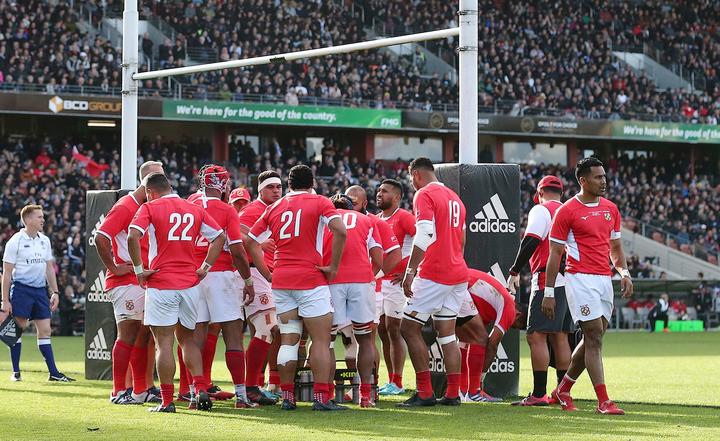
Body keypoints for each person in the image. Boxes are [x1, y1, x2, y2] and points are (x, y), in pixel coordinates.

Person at [245, 164, 348, 411]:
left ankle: (288, 397)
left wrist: (266, 272)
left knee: (288, 341)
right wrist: (333, 266)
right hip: (310, 279)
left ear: (288, 184)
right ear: (312, 182)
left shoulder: (274, 207)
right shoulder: (321, 202)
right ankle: (322, 398)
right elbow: (341, 231)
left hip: (282, 281)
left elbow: (249, 240)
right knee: (321, 341)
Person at [128, 173, 226, 413]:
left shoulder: (150, 207)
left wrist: (140, 270)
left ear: (150, 192)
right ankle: (200, 389)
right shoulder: (192, 208)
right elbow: (219, 237)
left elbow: (132, 236)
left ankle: (167, 400)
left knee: (164, 343)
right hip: (189, 283)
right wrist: (205, 267)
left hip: (162, 282)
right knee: (188, 340)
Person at [544, 157, 634, 415]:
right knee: (593, 335)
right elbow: (555, 254)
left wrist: (624, 273)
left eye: (604, 176)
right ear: (583, 180)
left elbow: (615, 248)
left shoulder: (611, 209)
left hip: (604, 280)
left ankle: (563, 389)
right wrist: (549, 292)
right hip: (578, 278)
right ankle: (604, 401)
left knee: (593, 338)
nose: (603, 181)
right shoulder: (567, 211)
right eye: (598, 177)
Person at [398, 157, 468, 407]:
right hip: (458, 272)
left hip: (435, 273)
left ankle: (425, 392)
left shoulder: (424, 195)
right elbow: (461, 239)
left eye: (410, 178)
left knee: (408, 328)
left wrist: (410, 270)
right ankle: (452, 393)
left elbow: (425, 233)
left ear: (416, 174)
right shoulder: (455, 198)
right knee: (447, 335)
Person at [189, 165, 260, 408]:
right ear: (222, 185)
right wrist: (249, 280)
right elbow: (238, 251)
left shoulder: (190, 204)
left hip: (193, 275)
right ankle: (241, 396)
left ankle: (195, 392)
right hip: (221, 275)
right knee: (233, 337)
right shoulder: (227, 210)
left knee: (194, 338)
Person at [95, 160, 164, 404]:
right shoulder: (126, 205)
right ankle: (118, 390)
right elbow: (101, 237)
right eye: (159, 178)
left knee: (144, 334)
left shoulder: (149, 206)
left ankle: (141, 389)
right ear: (148, 181)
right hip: (125, 281)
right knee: (128, 334)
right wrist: (113, 267)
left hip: (142, 280)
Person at [507, 175, 573, 406]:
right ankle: (562, 393)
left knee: (536, 335)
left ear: (540, 192)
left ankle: (538, 394)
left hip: (548, 279)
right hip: (570, 280)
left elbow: (532, 240)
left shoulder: (541, 210)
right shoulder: (569, 210)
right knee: (560, 337)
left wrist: (515, 270)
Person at [2, 205, 75, 382]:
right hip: (21, 289)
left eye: (43, 216)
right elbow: (7, 273)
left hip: (40, 291)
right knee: (17, 329)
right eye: (39, 217)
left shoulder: (45, 240)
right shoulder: (15, 241)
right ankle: (16, 372)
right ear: (28, 220)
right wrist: (5, 300)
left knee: (45, 330)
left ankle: (53, 373)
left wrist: (55, 291)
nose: (43, 219)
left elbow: (49, 268)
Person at [323, 193, 383, 407]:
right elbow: (379, 257)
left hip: (331, 280)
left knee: (325, 340)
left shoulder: (324, 219)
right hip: (361, 281)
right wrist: (368, 276)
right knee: (365, 339)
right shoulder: (366, 220)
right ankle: (365, 395)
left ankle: (326, 394)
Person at [344, 185, 400, 399]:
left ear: (364, 204)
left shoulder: (375, 222)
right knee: (347, 341)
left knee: (366, 339)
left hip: (369, 290)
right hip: (342, 288)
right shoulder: (338, 219)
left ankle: (371, 387)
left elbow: (394, 254)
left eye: (354, 202)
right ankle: (355, 386)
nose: (349, 206)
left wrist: (374, 274)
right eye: (347, 201)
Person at [238, 172, 283, 401]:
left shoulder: (278, 209)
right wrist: (257, 243)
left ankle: (268, 383)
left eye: (279, 186)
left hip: (272, 275)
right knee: (268, 329)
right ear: (260, 190)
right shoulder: (253, 210)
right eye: (271, 187)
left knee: (272, 330)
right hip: (255, 273)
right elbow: (237, 237)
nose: (276, 190)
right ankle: (251, 386)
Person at [375, 179, 416, 396]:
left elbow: (424, 240)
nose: (379, 194)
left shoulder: (404, 217)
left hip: (396, 283)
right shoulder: (376, 219)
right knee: (381, 329)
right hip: (380, 281)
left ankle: (398, 381)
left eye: (385, 191)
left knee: (394, 328)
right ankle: (390, 380)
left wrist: (411, 270)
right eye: (379, 190)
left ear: (397, 197)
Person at [457, 269, 517, 402]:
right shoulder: (511, 309)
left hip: (452, 281)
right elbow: (492, 345)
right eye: (521, 325)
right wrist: (481, 377)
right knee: (481, 339)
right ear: (520, 314)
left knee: (464, 340)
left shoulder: (488, 307)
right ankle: (473, 392)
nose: (516, 328)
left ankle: (462, 390)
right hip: (461, 284)